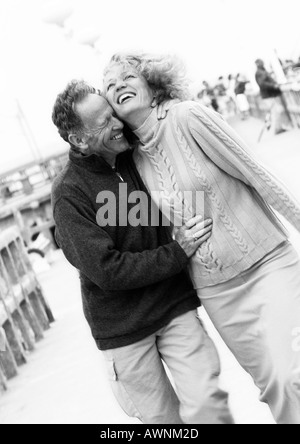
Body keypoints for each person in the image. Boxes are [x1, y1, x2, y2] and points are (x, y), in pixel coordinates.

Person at [103, 53, 300, 424]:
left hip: (268, 264)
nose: (119, 87)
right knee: (272, 384)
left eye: (127, 77)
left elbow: (257, 173)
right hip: (216, 292)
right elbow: (127, 223)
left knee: (293, 375)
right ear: (110, 110)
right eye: (110, 87)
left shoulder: (187, 117)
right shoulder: (131, 164)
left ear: (151, 81)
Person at [51, 80, 234, 425]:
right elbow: (107, 271)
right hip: (123, 330)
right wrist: (178, 252)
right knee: (165, 425)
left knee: (208, 404)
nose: (118, 124)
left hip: (173, 305)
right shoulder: (69, 194)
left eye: (113, 114)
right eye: (104, 122)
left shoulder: (137, 153)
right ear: (78, 139)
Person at [255, 59, 291, 134]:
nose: (263, 63)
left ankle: (278, 127)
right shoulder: (259, 72)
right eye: (261, 62)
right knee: (275, 111)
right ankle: (277, 129)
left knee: (276, 111)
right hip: (268, 95)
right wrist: (273, 85)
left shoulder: (261, 71)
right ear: (258, 63)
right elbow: (263, 84)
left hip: (269, 94)